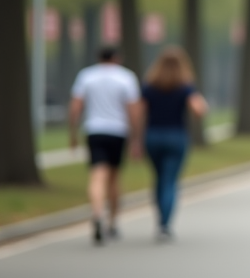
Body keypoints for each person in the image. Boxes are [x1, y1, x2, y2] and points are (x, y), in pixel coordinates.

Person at [68, 46, 142, 245]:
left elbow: (75, 106)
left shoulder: (86, 76)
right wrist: (136, 138)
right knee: (114, 178)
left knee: (97, 175)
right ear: (117, 58)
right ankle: (113, 222)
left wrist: (73, 133)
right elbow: (133, 109)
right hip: (118, 132)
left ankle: (97, 213)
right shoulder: (126, 77)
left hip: (94, 130)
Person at [139, 47, 208, 241]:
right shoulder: (185, 87)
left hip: (153, 135)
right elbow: (200, 109)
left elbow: (139, 113)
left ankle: (159, 218)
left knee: (159, 178)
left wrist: (136, 138)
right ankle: (165, 224)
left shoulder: (150, 86)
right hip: (176, 136)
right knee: (170, 180)